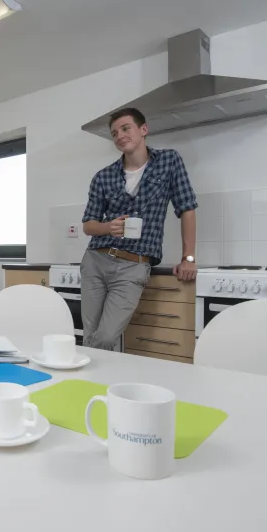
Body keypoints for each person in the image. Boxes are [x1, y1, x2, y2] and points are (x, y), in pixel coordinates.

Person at [80, 108, 198, 351]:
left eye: (125, 128)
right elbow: (88, 225)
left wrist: (188, 258)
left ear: (143, 130)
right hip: (96, 260)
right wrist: (108, 227)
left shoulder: (168, 161)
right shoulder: (103, 177)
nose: (119, 135)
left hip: (134, 266)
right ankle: (92, 387)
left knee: (104, 337)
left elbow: (187, 208)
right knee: (90, 337)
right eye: (114, 133)